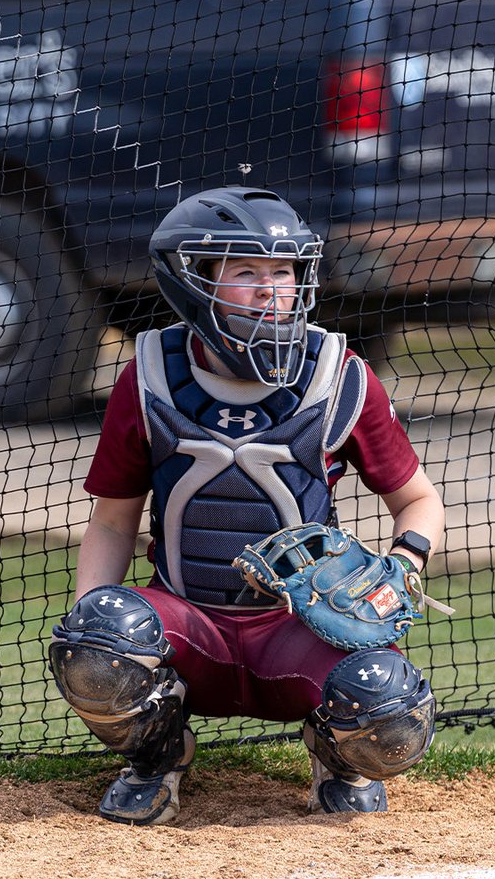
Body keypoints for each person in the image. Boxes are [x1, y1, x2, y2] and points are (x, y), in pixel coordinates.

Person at [49, 185, 445, 825]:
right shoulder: (149, 374)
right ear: (196, 281)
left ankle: (337, 757)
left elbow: (418, 500)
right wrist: (92, 634)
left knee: (391, 710)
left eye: (283, 272)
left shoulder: (340, 377)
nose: (271, 289)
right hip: (188, 623)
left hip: (299, 632)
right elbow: (111, 521)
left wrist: (405, 564)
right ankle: (157, 757)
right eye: (246, 273)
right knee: (96, 637)